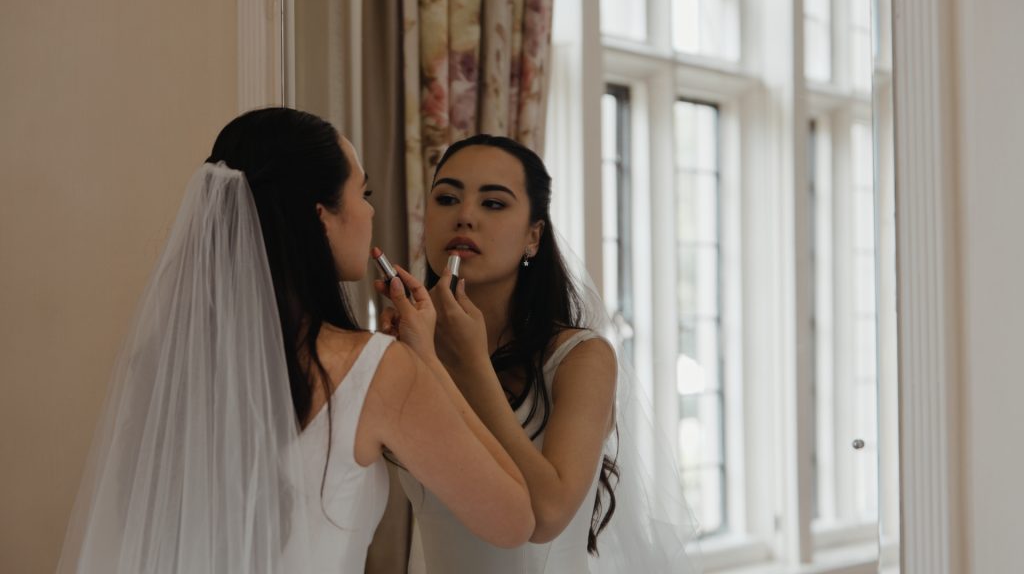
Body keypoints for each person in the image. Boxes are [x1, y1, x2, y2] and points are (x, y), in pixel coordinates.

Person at [56, 109, 534, 574]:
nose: (369, 210)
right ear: (322, 216)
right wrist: (426, 358)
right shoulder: (374, 369)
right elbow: (514, 519)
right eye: (361, 193)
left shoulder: (164, 368)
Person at [378, 135, 700, 573]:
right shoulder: (411, 348)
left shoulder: (580, 359)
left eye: (493, 204)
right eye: (447, 198)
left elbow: (547, 514)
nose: (465, 216)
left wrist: (471, 364)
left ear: (534, 236)